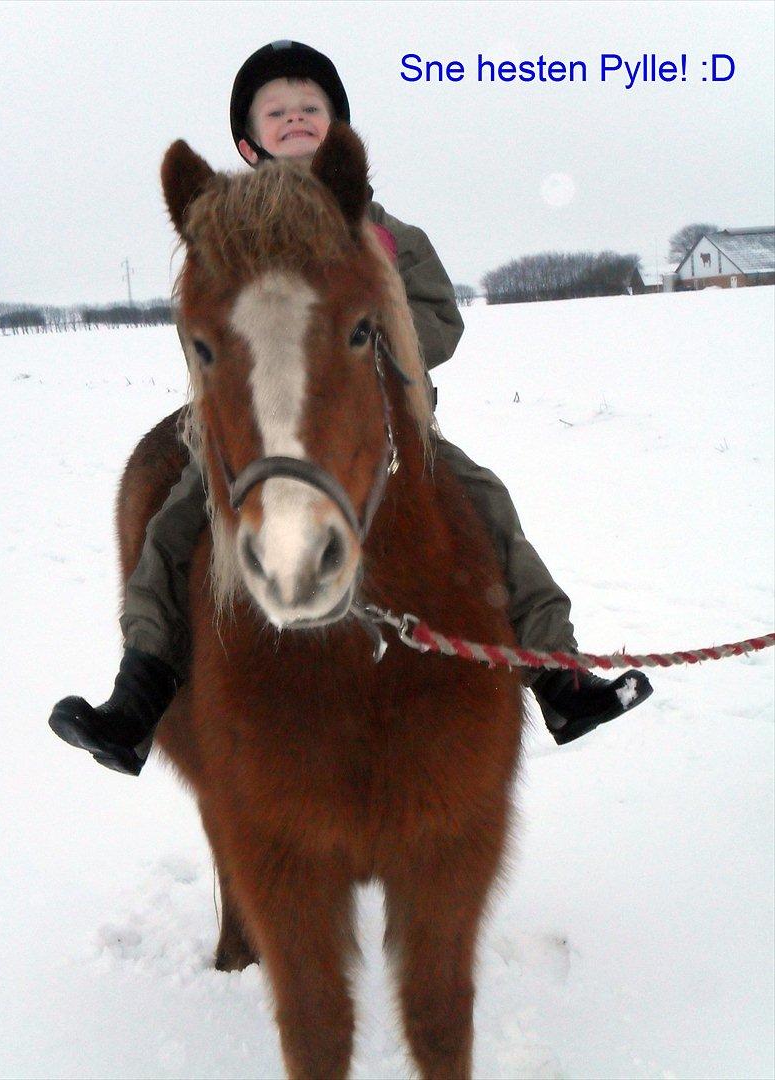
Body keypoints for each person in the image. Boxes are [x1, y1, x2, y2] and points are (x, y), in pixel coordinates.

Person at [49, 41, 652, 776]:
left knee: (484, 502)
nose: (296, 119)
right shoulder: (227, 229)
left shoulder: (386, 230)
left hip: (381, 429)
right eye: (278, 112)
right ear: (249, 139)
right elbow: (206, 330)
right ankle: (139, 693)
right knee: (175, 526)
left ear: (337, 128)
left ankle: (556, 675)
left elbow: (440, 317)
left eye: (312, 108)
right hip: (260, 426)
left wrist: (371, 347)